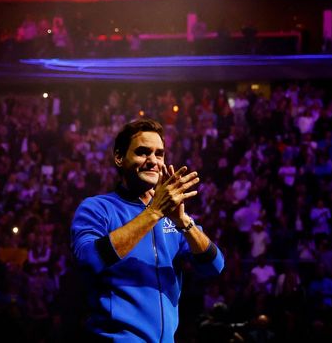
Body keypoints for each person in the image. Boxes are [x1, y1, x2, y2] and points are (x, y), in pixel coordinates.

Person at [71, 118, 225, 342]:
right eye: (143, 152)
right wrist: (153, 213)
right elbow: (89, 259)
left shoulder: (172, 216)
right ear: (119, 158)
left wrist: (183, 221)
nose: (153, 160)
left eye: (159, 154)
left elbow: (215, 267)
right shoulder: (97, 208)